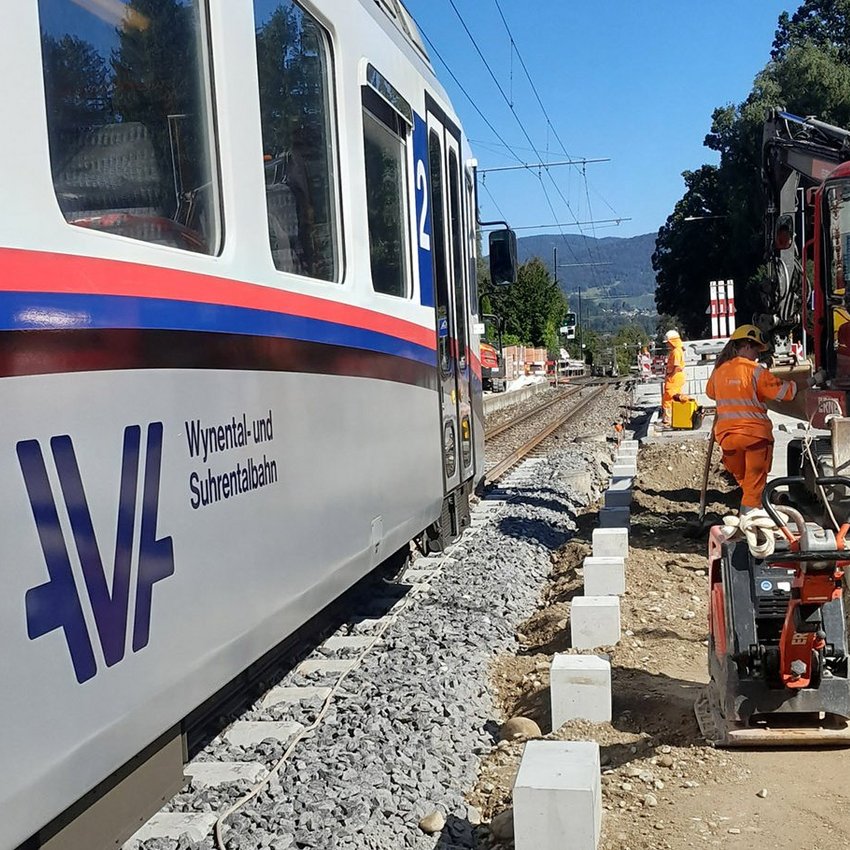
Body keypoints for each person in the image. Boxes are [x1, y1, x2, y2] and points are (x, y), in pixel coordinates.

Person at [706, 324, 798, 514]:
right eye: (756, 349)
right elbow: (786, 393)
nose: (757, 355)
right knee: (754, 484)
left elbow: (711, 393)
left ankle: (757, 504)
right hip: (755, 437)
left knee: (746, 481)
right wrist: (811, 381)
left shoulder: (719, 370)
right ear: (747, 345)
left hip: (728, 438)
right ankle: (749, 518)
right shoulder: (755, 371)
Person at [661, 329, 686, 426]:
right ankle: (674, 418)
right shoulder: (678, 350)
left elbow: (677, 366)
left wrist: (670, 375)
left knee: (668, 398)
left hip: (674, 378)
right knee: (674, 397)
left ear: (672, 341)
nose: (667, 345)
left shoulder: (676, 352)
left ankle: (668, 420)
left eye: (668, 342)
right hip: (676, 377)